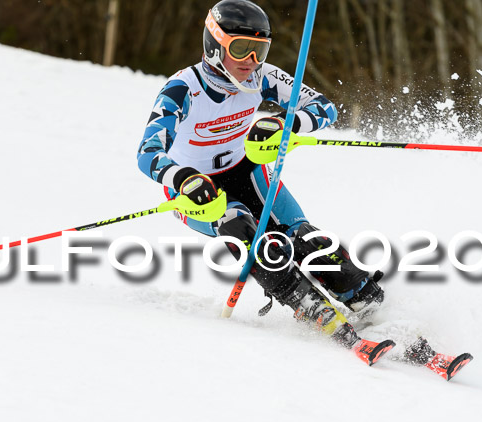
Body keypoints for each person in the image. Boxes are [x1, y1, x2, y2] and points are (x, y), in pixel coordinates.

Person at [136, 0, 384, 349]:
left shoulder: (261, 78)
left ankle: (367, 299)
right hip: (198, 191)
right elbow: (148, 153)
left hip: (248, 170)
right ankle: (309, 306)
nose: (251, 61)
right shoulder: (183, 88)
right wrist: (181, 179)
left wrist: (287, 124)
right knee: (249, 234)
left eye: (259, 50)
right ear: (214, 44)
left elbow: (324, 107)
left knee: (307, 238)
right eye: (241, 49)